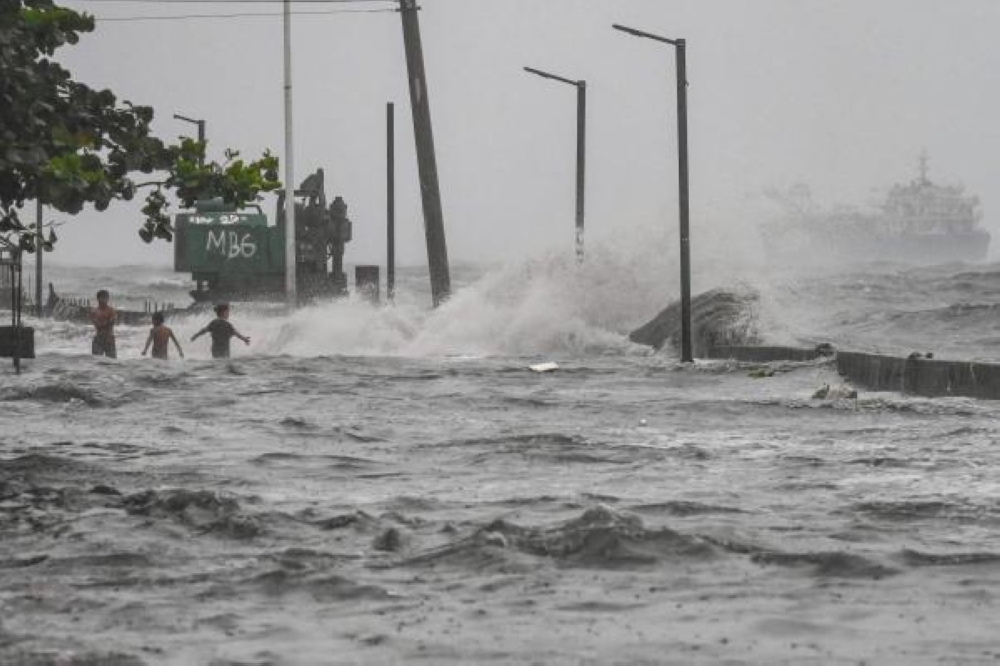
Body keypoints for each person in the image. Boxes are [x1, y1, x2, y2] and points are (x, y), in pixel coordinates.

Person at [89, 289, 117, 358]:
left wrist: (105, 323)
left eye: (106, 298)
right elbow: (97, 324)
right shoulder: (94, 311)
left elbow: (113, 321)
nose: (105, 300)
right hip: (99, 338)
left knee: (112, 362)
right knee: (96, 361)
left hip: (109, 338)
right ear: (98, 299)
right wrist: (107, 322)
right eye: (103, 298)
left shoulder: (111, 310)